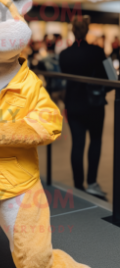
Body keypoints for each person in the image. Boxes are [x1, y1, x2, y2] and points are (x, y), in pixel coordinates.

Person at [59, 15, 110, 198]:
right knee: (95, 141)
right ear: (87, 30)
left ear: (72, 30)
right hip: (94, 105)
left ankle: (78, 185)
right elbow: (111, 78)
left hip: (72, 105)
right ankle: (92, 183)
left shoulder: (64, 55)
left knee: (77, 144)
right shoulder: (97, 52)